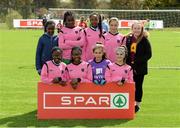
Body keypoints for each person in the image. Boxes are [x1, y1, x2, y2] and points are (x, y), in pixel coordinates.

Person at [125, 21, 152, 113]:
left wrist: (137, 62)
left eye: (138, 28)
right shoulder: (128, 39)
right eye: (135, 28)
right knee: (130, 85)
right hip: (129, 68)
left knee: (138, 86)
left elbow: (148, 54)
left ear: (141, 30)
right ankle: (130, 103)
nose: (136, 30)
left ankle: (138, 104)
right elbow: (126, 52)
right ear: (132, 29)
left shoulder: (144, 40)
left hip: (140, 68)